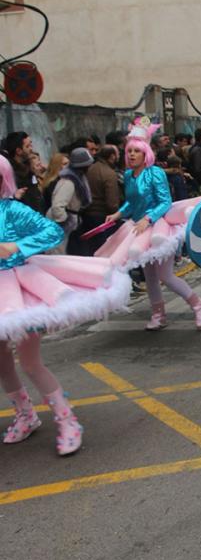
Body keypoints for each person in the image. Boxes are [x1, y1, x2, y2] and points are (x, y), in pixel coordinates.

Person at [0, 155, 130, 456]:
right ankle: (26, 415)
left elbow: (51, 231)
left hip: (21, 290)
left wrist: (17, 246)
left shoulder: (13, 209)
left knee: (30, 361)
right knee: (2, 361)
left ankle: (67, 419)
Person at [101, 118, 201, 331]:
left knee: (164, 275)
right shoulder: (130, 175)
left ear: (145, 153)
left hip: (160, 226)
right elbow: (132, 201)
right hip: (138, 229)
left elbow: (165, 202)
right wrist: (118, 214)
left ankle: (198, 304)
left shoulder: (156, 173)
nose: (131, 155)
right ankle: (158, 314)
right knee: (149, 274)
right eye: (129, 151)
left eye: (136, 151)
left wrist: (148, 219)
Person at [46, 147, 95, 253]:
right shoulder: (68, 182)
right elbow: (58, 205)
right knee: (57, 253)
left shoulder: (78, 179)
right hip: (59, 223)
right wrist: (64, 221)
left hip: (68, 220)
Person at [81, 145, 121, 252]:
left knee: (93, 248)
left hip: (87, 214)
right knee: (105, 249)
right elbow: (112, 203)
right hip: (102, 217)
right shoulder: (109, 174)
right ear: (112, 156)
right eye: (118, 155)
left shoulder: (90, 169)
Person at [4, 131, 44, 213]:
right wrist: (14, 197)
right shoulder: (9, 174)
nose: (31, 149)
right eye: (28, 146)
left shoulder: (29, 170)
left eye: (31, 144)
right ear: (19, 151)